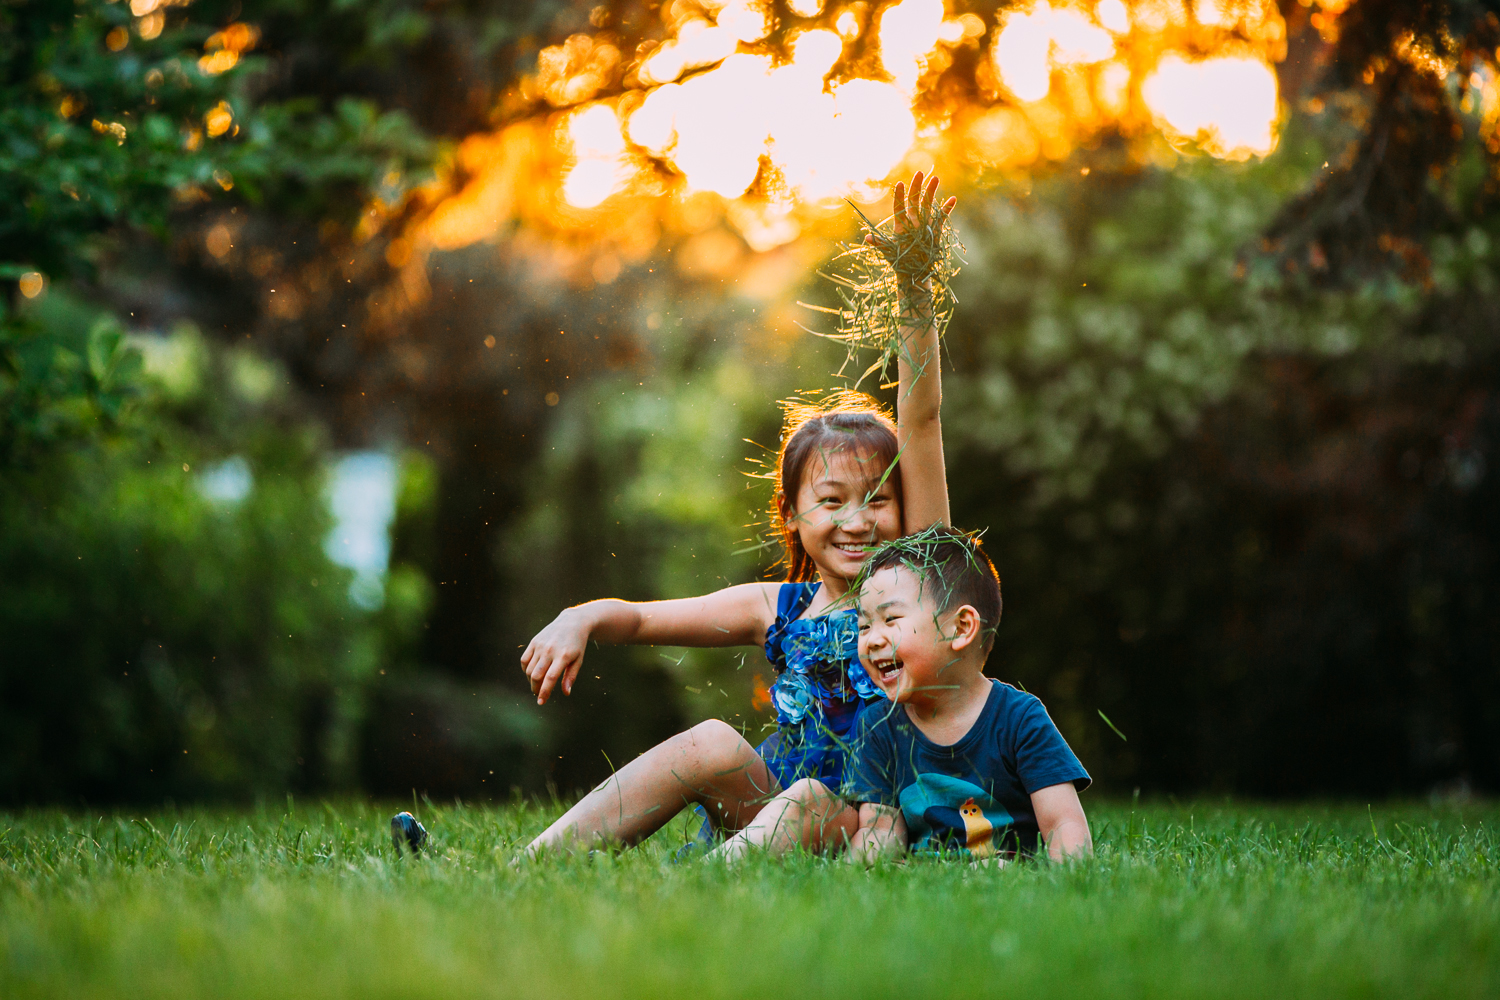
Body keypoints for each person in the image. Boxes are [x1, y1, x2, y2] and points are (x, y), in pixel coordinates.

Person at [487, 172, 959, 858]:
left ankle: (697, 891)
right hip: (776, 814)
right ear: (792, 516)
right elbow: (647, 619)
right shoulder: (778, 607)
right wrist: (581, 617)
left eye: (877, 500)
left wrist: (915, 294)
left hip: (874, 824)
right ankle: (531, 866)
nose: (857, 520)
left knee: (812, 798)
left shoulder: (920, 583)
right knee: (711, 740)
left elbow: (922, 420)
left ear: (904, 509)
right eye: (831, 502)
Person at [713, 525, 1092, 863]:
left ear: (961, 628)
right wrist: (853, 878)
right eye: (863, 626)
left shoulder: (1020, 718)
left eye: (891, 620)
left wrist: (1068, 878)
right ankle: (716, 871)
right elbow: (880, 830)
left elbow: (1063, 821)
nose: (872, 640)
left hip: (1004, 880)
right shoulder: (878, 724)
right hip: (925, 891)